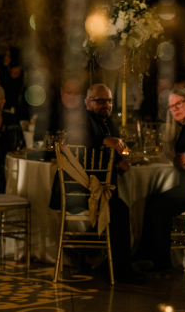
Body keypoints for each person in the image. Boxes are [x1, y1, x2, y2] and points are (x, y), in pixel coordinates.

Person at [50, 83, 145, 284]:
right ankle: (121, 269)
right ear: (87, 103)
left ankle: (79, 247)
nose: (106, 105)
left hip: (99, 188)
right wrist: (104, 141)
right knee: (119, 210)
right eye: (100, 100)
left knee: (117, 207)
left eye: (109, 101)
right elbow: (78, 144)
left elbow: (106, 158)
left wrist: (120, 164)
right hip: (77, 190)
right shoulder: (81, 119)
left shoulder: (109, 124)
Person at [135, 88, 185, 271]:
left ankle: (161, 263)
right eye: (171, 106)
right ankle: (151, 257)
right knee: (153, 201)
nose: (174, 109)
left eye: (179, 103)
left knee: (157, 206)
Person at [34, 77, 87, 145]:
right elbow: (38, 141)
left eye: (77, 93)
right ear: (61, 91)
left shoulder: (86, 112)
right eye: (69, 93)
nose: (72, 97)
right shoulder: (49, 113)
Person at [0, 47, 25, 118]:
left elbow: (13, 91)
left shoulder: (16, 73)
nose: (6, 58)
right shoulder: (4, 70)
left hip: (14, 107)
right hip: (5, 105)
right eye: (5, 55)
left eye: (9, 56)